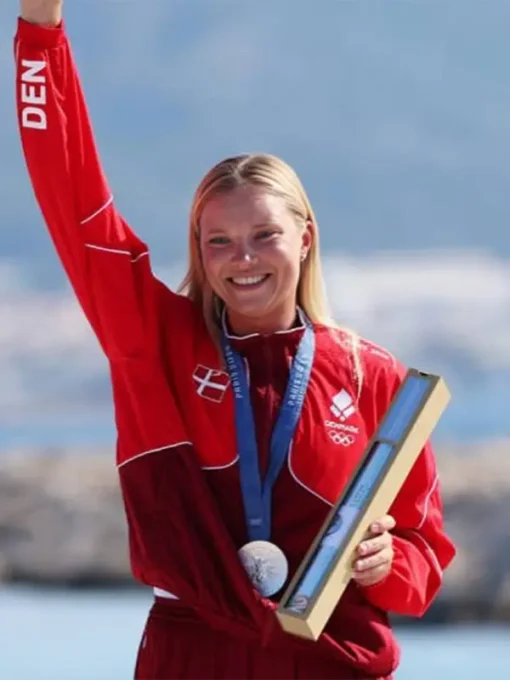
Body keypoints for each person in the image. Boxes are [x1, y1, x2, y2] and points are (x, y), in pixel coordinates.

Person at [14, 2, 456, 678]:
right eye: (218, 240)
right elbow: (75, 201)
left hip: (330, 659)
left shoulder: (375, 378)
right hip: (192, 653)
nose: (242, 258)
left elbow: (424, 562)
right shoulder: (154, 344)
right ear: (198, 250)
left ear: (305, 239)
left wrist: (389, 564)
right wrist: (40, 36)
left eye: (264, 235)